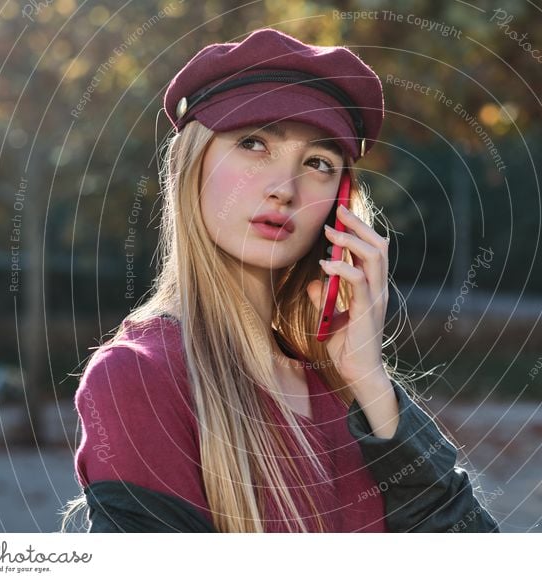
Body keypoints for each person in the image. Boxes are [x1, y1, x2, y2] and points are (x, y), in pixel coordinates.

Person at [60, 28, 499, 533]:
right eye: (253, 143)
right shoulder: (138, 377)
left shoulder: (344, 386)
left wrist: (370, 381)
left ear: (340, 203)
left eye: (317, 163)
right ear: (192, 162)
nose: (284, 189)